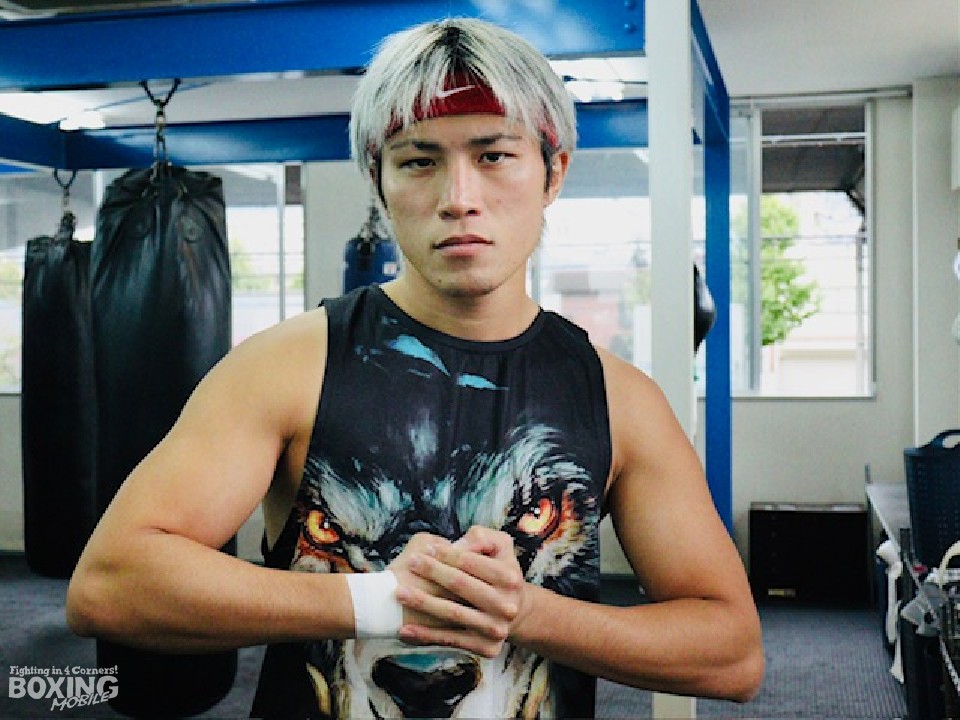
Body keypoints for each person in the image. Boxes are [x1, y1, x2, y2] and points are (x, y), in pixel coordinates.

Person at [67, 16, 763, 719]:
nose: (459, 197)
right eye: (418, 162)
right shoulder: (287, 367)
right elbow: (110, 586)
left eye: (494, 156)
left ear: (554, 172)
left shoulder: (618, 399)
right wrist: (376, 600)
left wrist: (523, 611)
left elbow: (733, 653)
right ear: (379, 181)